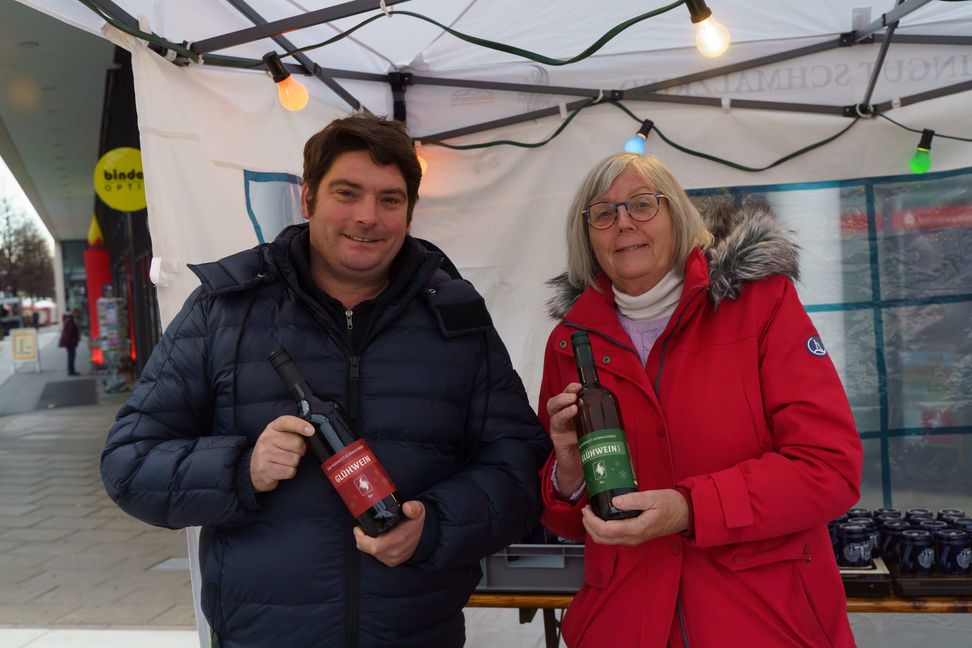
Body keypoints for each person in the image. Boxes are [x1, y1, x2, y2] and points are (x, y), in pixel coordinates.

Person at [101, 113, 550, 648]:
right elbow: (129, 464)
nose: (368, 217)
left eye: (390, 199)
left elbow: (521, 465)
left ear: (409, 211)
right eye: (347, 192)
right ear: (308, 198)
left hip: (416, 634)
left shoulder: (455, 318)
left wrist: (434, 525)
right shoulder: (225, 311)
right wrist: (242, 468)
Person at [540, 153, 863, 647]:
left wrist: (689, 508)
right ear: (587, 235)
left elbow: (829, 468)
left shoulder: (759, 304)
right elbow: (568, 520)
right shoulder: (572, 341)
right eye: (603, 214)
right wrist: (567, 471)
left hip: (762, 621)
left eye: (642, 205)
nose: (623, 222)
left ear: (678, 216)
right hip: (624, 623)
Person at [58, 312, 80, 376]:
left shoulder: (67, 321)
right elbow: (71, 333)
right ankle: (71, 371)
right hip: (70, 342)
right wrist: (75, 339)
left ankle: (71, 370)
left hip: (68, 342)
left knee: (70, 356)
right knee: (71, 356)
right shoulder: (70, 322)